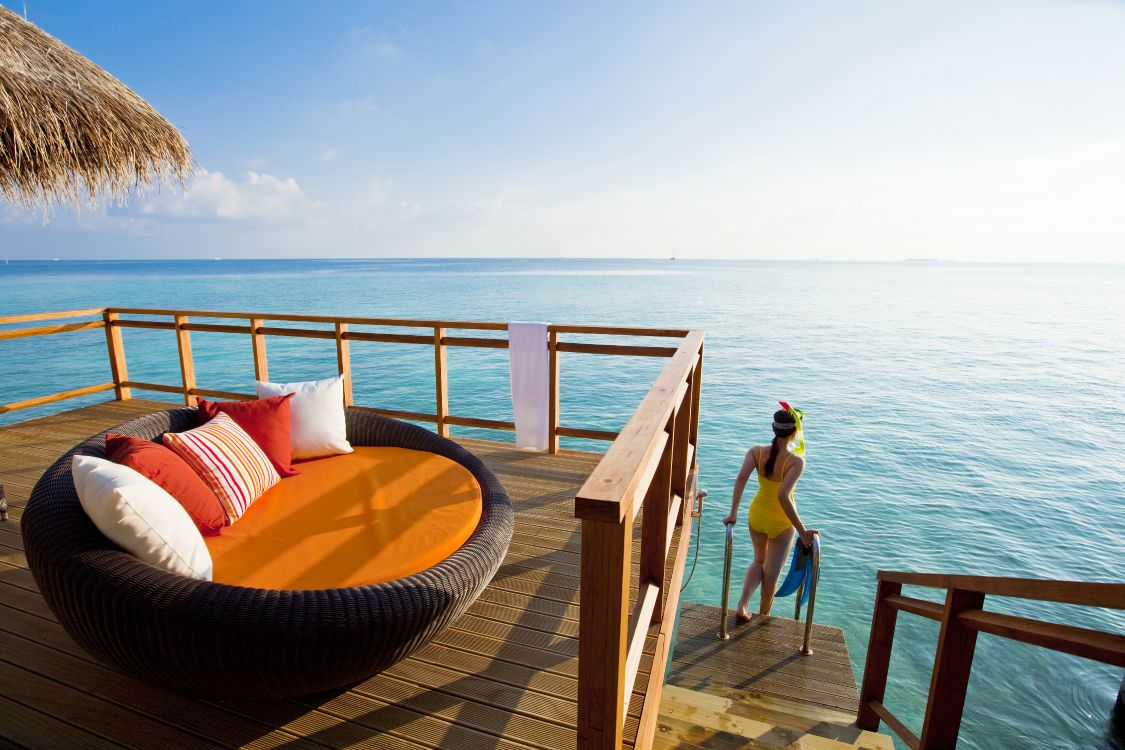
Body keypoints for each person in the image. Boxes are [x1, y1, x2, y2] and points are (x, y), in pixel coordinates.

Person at [722, 402, 817, 622]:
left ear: (773, 429)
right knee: (771, 575)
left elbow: (741, 478)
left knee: (758, 561)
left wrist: (733, 513)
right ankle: (764, 616)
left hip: (756, 515)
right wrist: (802, 532)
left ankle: (742, 606)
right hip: (781, 522)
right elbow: (783, 496)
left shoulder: (756, 452)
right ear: (794, 433)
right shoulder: (796, 462)